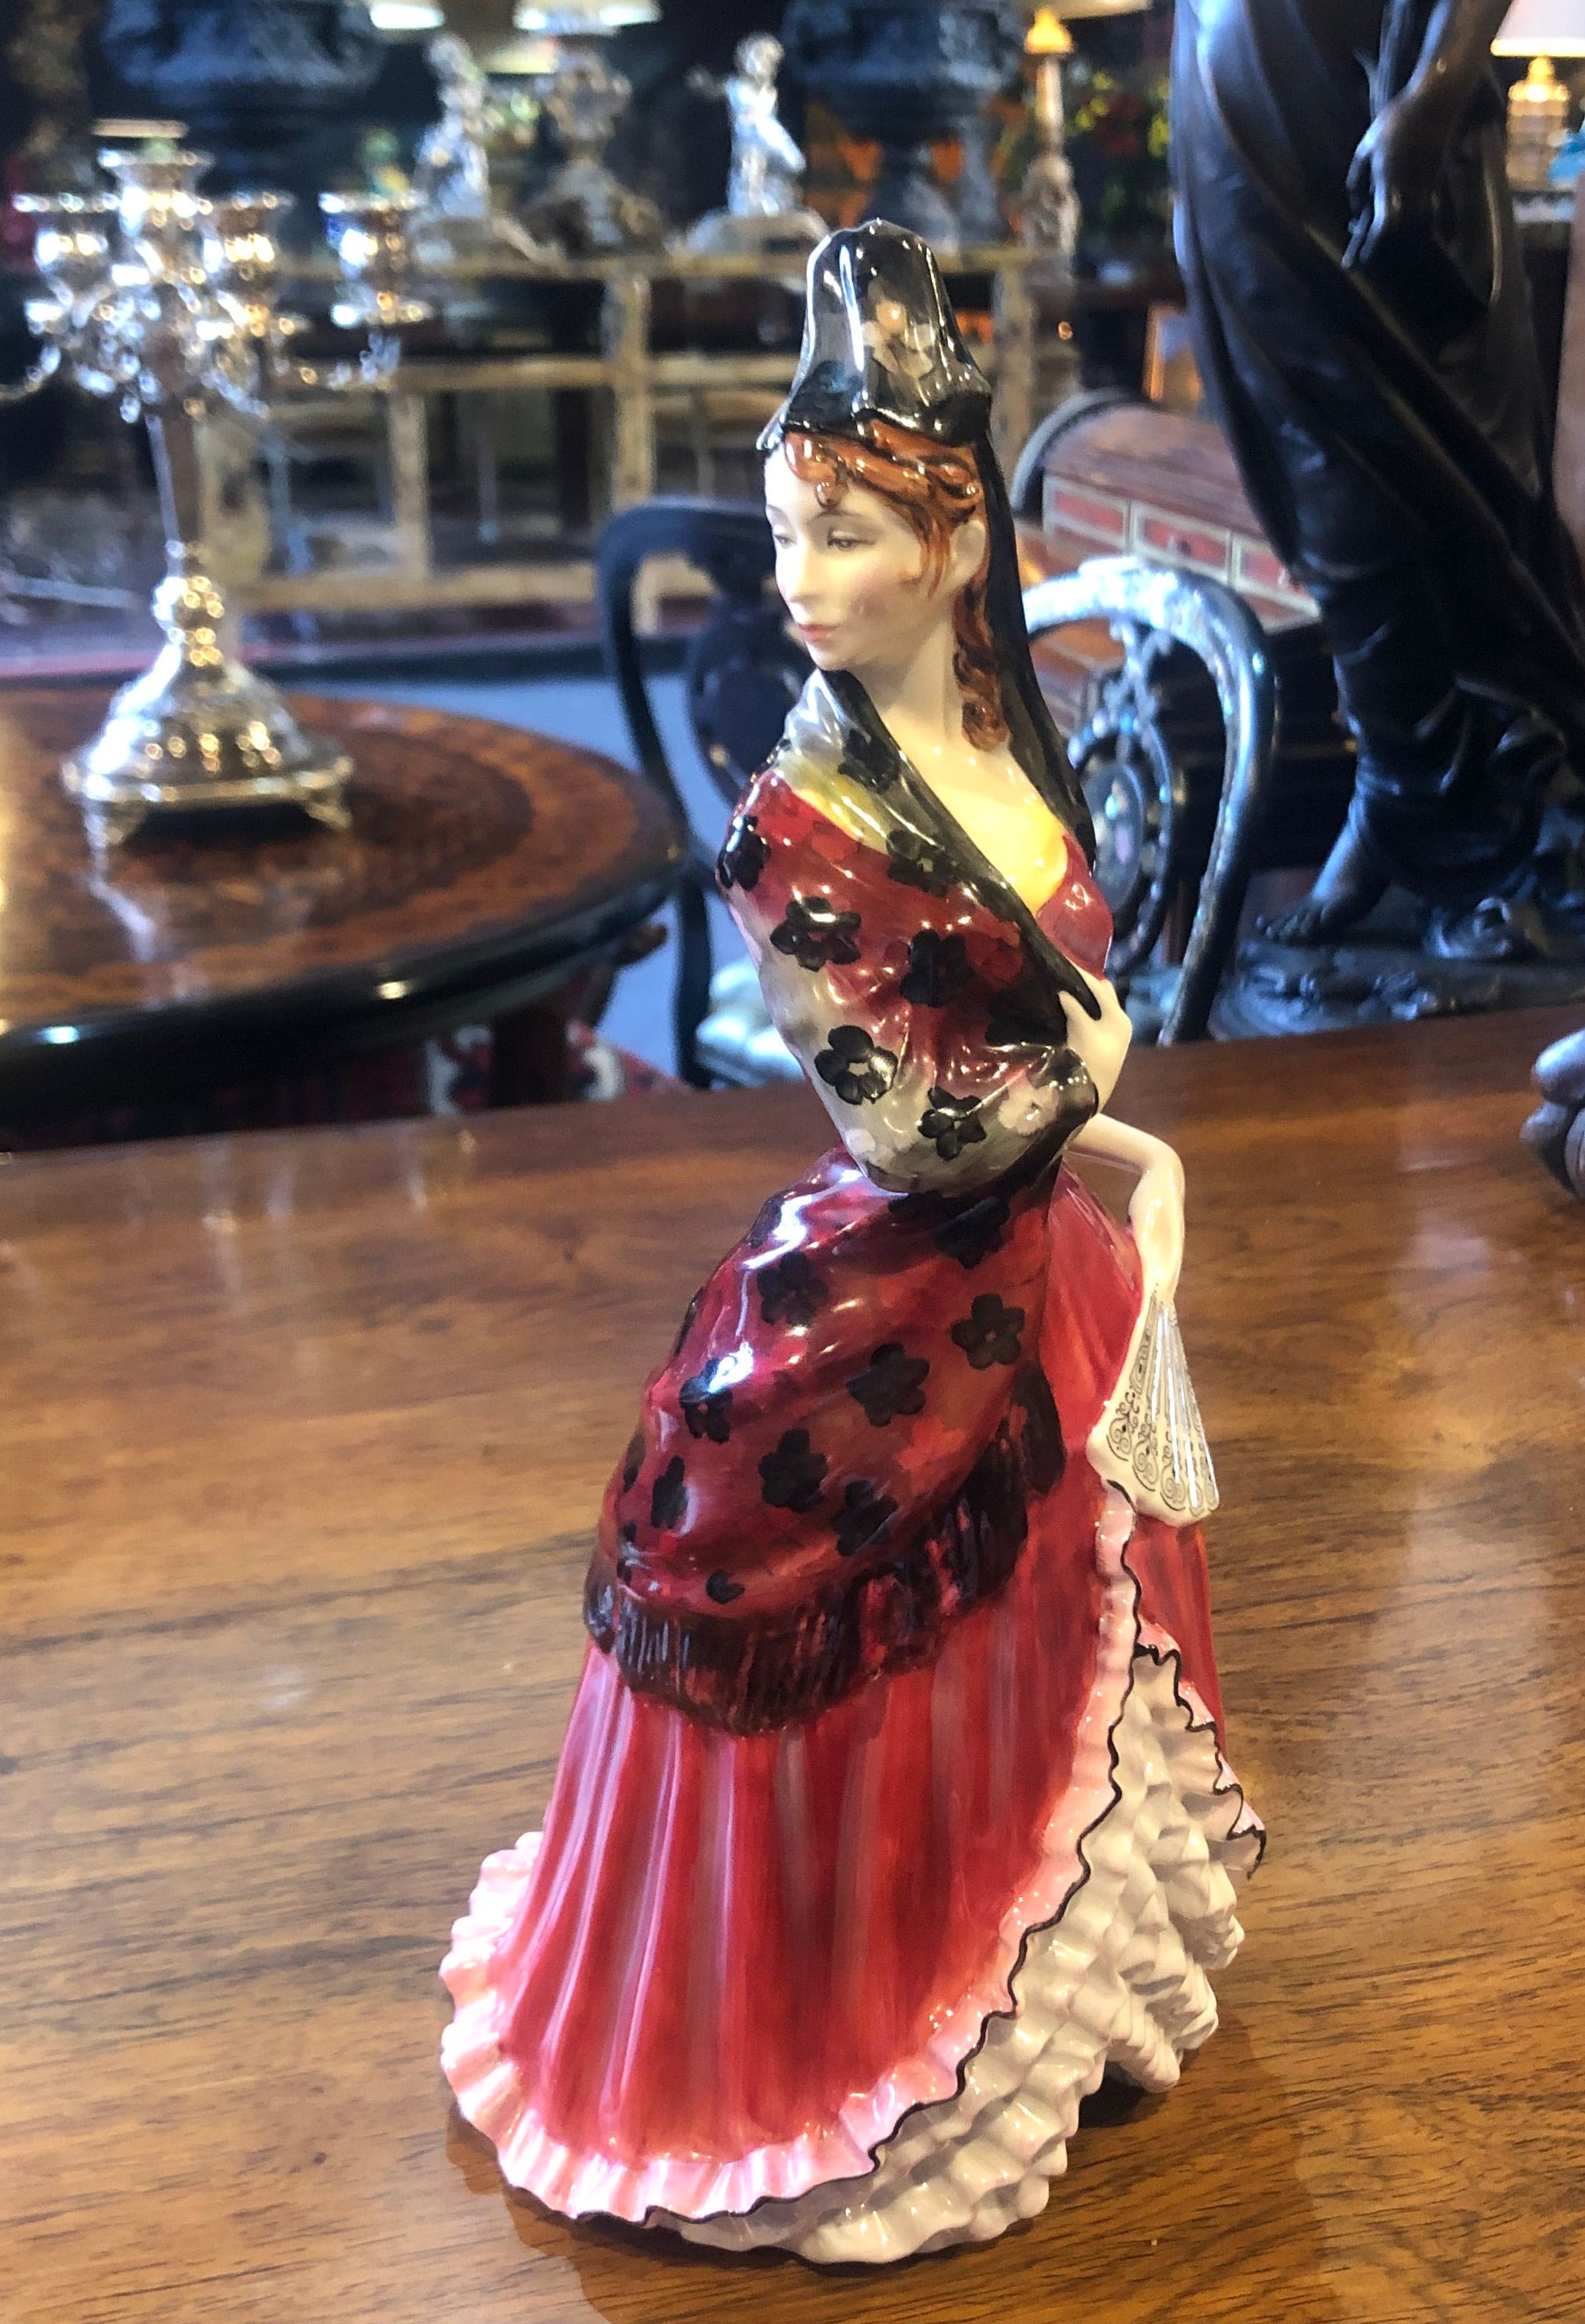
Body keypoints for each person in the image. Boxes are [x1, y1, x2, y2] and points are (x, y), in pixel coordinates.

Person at [440, 223, 1262, 2264]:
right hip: (904, 1310)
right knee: (845, 1599)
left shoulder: (1007, 752)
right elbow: (907, 1118)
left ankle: (1062, 1995)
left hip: (1054, 1285)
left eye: (842, 534)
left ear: (955, 541)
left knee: (1078, 1654)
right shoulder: (795, 825)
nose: (797, 577)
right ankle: (848, 2026)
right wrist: (1095, 1069)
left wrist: (1102, 1105)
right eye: (785, 534)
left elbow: (1042, 1038)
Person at [1172, 0, 1585, 964]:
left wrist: (1432, 97)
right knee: (1325, 505)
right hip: (1235, 109)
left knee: (1425, 489)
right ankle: (1400, 798)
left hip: (1362, 104)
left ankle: (1516, 833)